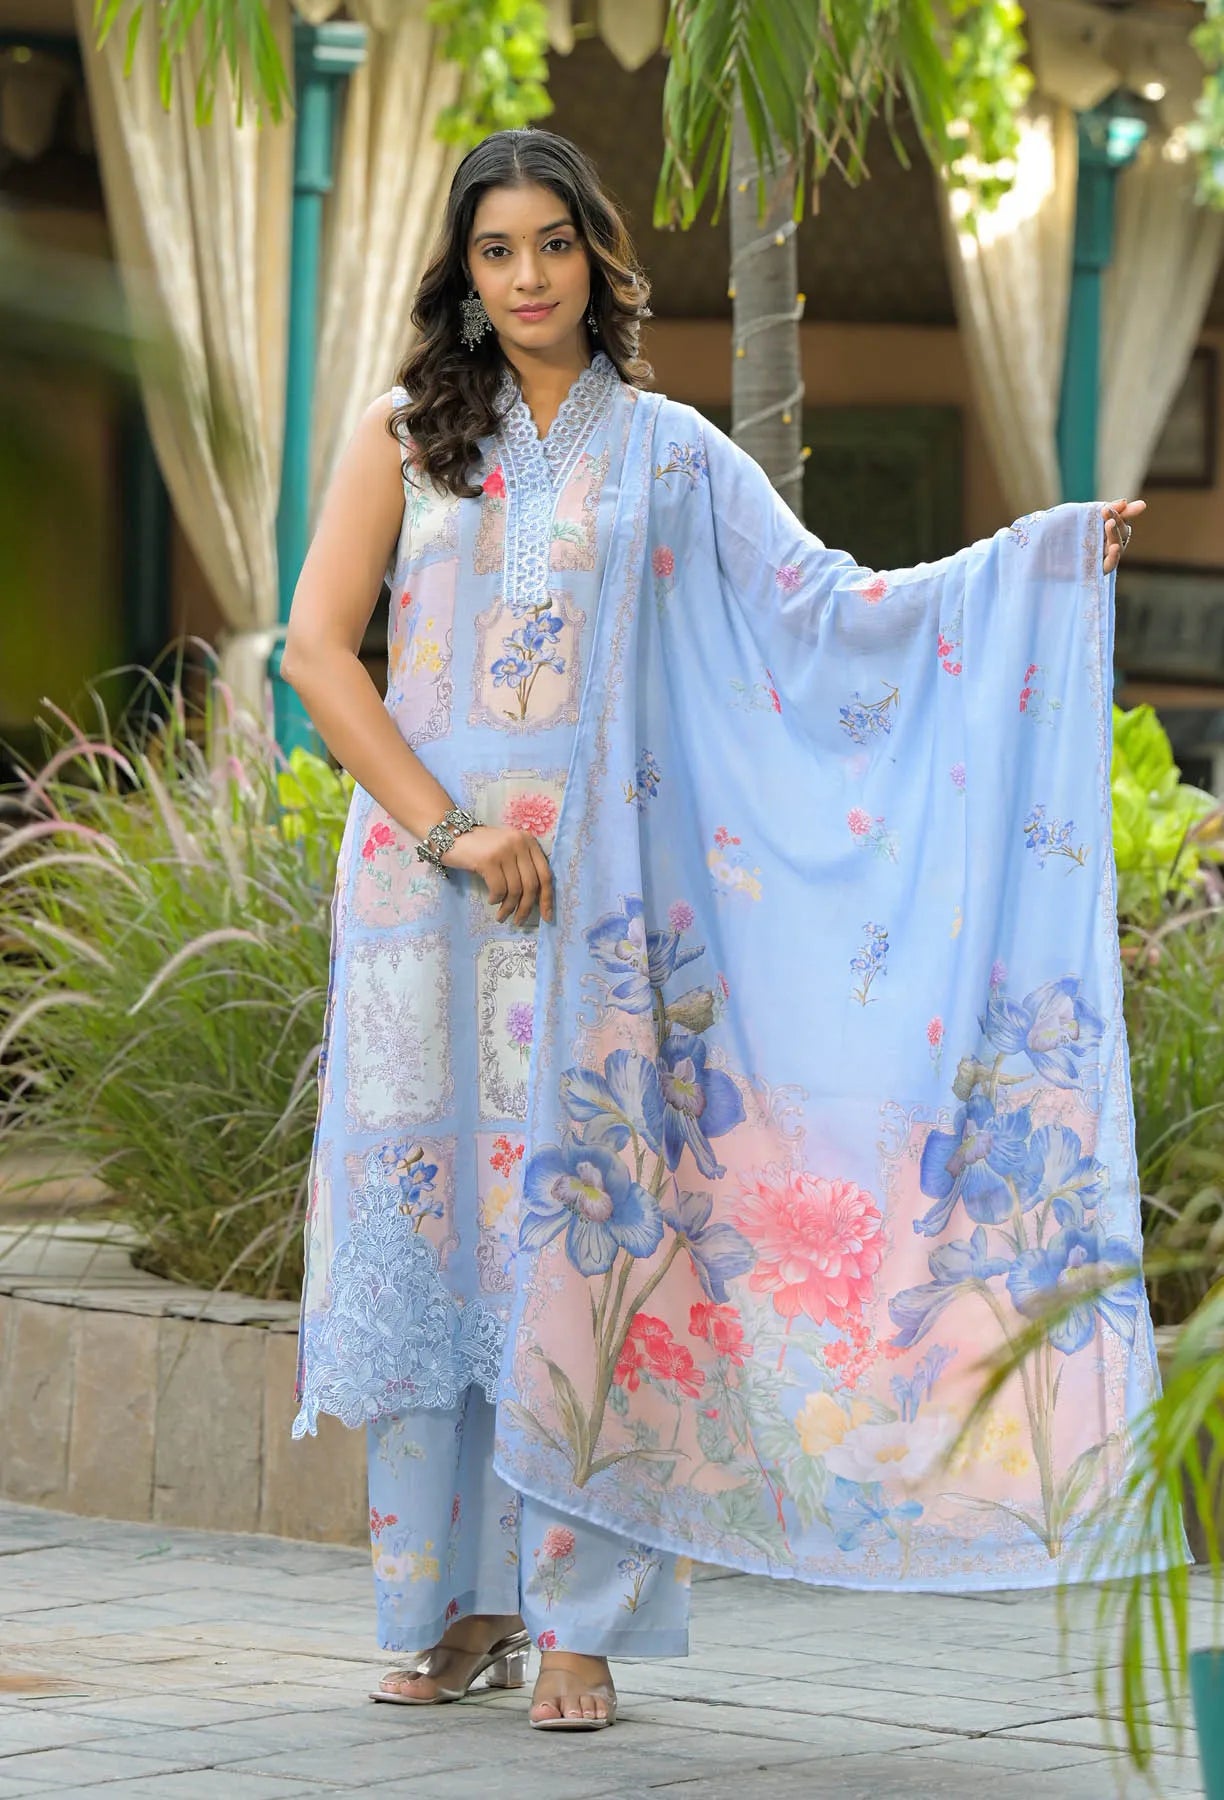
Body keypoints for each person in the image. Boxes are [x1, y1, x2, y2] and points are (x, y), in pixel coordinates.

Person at [284, 126, 1148, 1735]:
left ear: (596, 259)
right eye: (496, 251)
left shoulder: (669, 453)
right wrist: (451, 829)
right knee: (440, 1241)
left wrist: (1034, 564)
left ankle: (576, 1624)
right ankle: (446, 1606)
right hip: (427, 901)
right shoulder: (405, 437)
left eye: (553, 245)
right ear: (462, 273)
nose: (527, 277)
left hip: (602, 902)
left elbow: (831, 605)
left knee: (586, 1243)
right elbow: (319, 654)